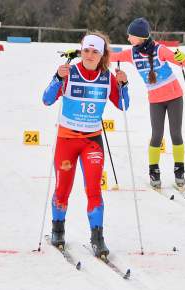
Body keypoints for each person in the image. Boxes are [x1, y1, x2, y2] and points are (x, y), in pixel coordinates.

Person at [42, 32, 130, 257]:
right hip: (67, 140)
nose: (89, 55)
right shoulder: (70, 73)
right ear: (81, 50)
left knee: (93, 189)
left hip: (92, 141)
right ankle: (58, 229)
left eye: (95, 52)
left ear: (102, 55)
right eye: (86, 50)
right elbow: (47, 99)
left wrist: (124, 84)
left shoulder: (107, 76)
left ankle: (97, 237)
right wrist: (57, 78)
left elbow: (123, 105)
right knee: (63, 189)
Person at [111, 17, 185, 189]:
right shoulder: (132, 53)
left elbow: (184, 62)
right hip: (155, 100)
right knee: (156, 135)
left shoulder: (160, 50)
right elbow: (111, 55)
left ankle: (179, 169)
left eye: (130, 36)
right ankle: (154, 170)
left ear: (140, 37)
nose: (128, 39)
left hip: (174, 96)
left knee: (175, 134)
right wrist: (86, 52)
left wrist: (182, 57)